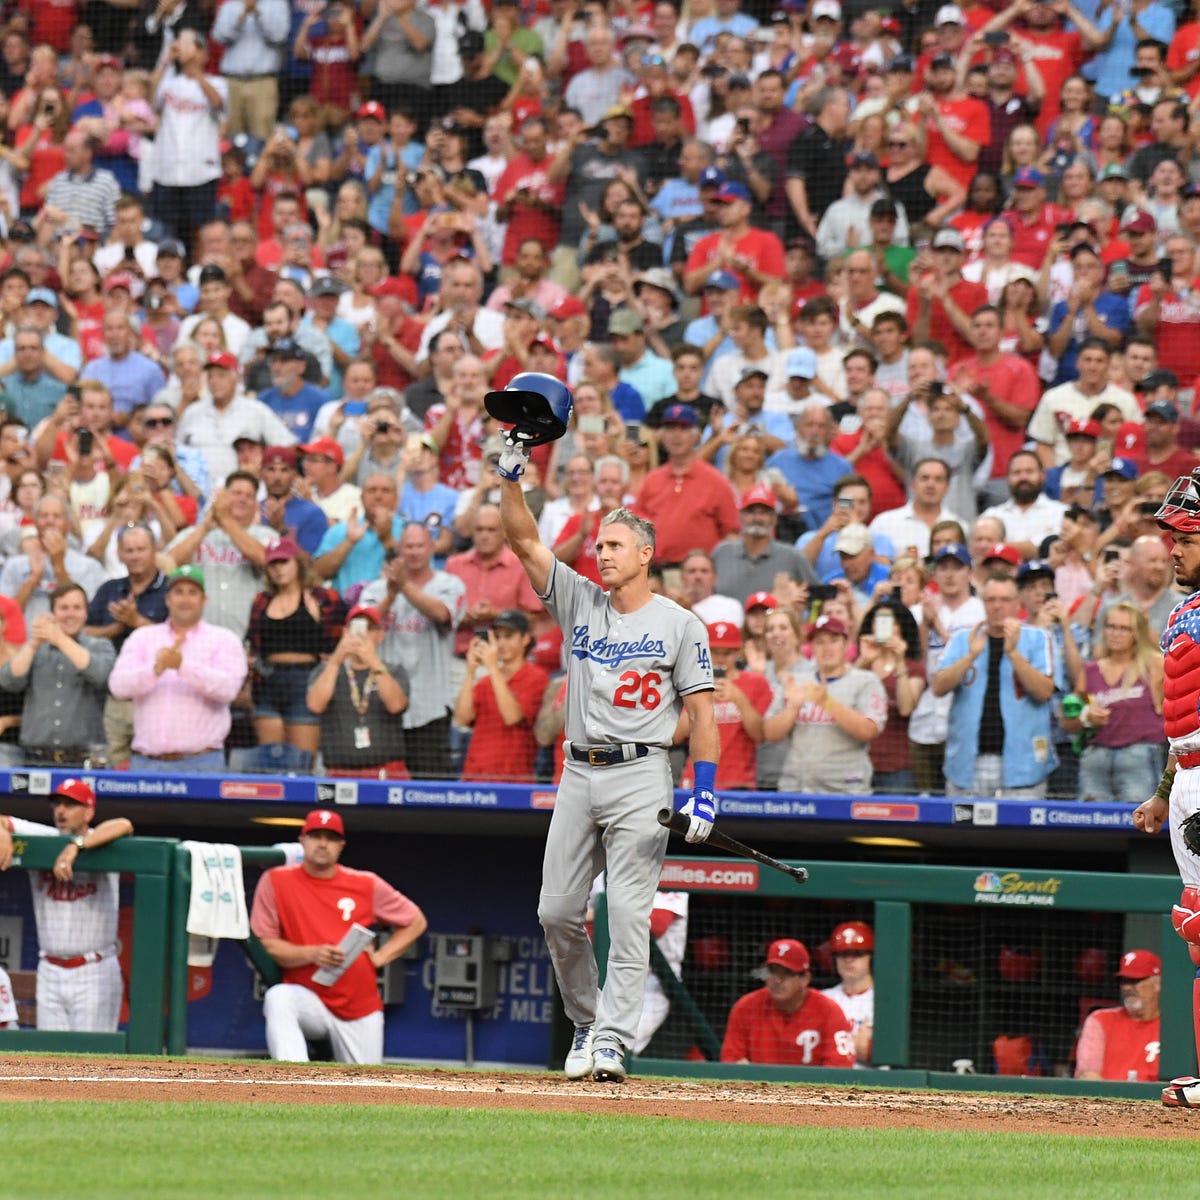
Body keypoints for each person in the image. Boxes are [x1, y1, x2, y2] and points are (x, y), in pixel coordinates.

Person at [496, 375, 719, 1084]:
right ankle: (587, 1022)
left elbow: (704, 714)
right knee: (557, 911)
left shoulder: (681, 623)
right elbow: (526, 541)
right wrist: (511, 479)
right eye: (600, 543)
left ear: (647, 554)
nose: (604, 553)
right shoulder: (580, 600)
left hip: (642, 773)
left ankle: (613, 1040)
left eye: (617, 545)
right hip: (579, 770)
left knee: (627, 915)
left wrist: (706, 791)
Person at [250, 808, 427, 1065]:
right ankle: (295, 1082)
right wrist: (312, 953)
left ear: (341, 845)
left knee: (365, 1092)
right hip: (310, 998)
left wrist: (379, 958)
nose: (323, 843)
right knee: (278, 998)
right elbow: (267, 944)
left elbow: (416, 921)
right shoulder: (276, 880)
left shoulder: (365, 883)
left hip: (359, 1005)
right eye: (316, 835)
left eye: (331, 837)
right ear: (303, 840)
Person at [1135, 469, 1200, 1106]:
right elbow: (1184, 719)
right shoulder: (1184, 611)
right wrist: (1164, 790)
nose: (1172, 548)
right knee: (1197, 924)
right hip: (1188, 773)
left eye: (1185, 536)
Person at [0, 779, 133, 1032]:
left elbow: (124, 825)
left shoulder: (102, 841)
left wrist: (76, 846)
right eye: (58, 804)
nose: (61, 810)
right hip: (50, 969)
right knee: (53, 1058)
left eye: (71, 805)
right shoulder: (45, 837)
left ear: (89, 811)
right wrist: (3, 831)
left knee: (93, 1059)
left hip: (94, 969)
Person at [108, 565, 247, 772]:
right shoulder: (142, 637)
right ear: (167, 599)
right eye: (178, 592)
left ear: (204, 600)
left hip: (202, 762)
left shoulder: (224, 639)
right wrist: (154, 671)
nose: (185, 599)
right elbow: (117, 686)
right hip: (146, 762)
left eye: (192, 593)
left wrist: (183, 666)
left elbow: (228, 690)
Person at [932, 573, 1060, 798]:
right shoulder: (963, 638)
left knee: (1020, 831)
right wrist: (970, 656)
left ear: (1018, 602)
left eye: (1005, 600)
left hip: (1023, 766)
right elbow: (939, 687)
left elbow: (1044, 692)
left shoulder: (1038, 638)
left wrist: (1013, 652)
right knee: (963, 832)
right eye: (991, 600)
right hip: (968, 766)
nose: (997, 607)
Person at [360, 522, 466, 780]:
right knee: (382, 785)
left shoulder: (450, 585)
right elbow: (362, 628)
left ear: (431, 547)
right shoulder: (375, 590)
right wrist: (390, 595)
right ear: (399, 550)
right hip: (384, 706)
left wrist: (404, 587)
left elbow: (442, 614)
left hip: (431, 706)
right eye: (408, 546)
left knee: (431, 788)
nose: (415, 552)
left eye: (420, 545)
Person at [767, 613, 887, 795]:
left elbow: (868, 731)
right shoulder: (796, 682)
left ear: (846, 644)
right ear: (811, 647)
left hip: (845, 790)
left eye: (833, 640)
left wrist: (826, 702)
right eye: (819, 641)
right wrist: (793, 708)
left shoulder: (865, 681)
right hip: (796, 789)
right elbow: (771, 733)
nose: (826, 647)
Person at [247, 538, 344, 759]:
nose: (278, 568)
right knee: (270, 762)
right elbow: (253, 642)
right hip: (268, 678)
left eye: (284, 562)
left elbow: (339, 635)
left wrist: (331, 663)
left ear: (297, 563)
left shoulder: (321, 598)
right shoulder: (262, 600)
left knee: (301, 763)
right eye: (273, 564)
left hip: (306, 679)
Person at [0, 582, 115, 768]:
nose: (70, 614)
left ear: (86, 613)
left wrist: (59, 639)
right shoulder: (36, 649)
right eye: (64, 608)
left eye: (77, 608)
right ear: (52, 613)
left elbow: (100, 674)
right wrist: (33, 644)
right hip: (33, 758)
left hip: (85, 757)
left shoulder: (100, 646)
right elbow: (10, 681)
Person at [1065, 602, 1164, 802]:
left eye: (1124, 628)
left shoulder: (1153, 664)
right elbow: (1068, 721)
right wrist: (1086, 718)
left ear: (1137, 633)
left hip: (1139, 756)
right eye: (1111, 626)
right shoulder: (1091, 670)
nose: (1116, 633)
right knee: (1091, 824)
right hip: (1095, 759)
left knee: (1139, 823)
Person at [305, 603, 411, 778]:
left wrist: (374, 662)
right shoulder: (325, 671)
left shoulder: (393, 670)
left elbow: (396, 705)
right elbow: (315, 705)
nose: (362, 634)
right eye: (356, 627)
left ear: (380, 635)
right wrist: (336, 659)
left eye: (369, 628)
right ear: (345, 632)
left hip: (386, 771)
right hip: (339, 772)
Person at [720, 938, 856, 1067]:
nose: (777, 980)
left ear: (805, 979)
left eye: (786, 973)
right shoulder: (746, 1007)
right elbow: (731, 1060)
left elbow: (840, 1066)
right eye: (773, 971)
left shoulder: (828, 1011)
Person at [455, 608, 549, 783]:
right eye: (497, 637)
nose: (501, 643)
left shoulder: (537, 677)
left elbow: (512, 717)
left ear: (525, 639)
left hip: (513, 779)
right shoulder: (485, 682)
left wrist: (492, 667)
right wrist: (470, 671)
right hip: (475, 776)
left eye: (508, 636)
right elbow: (462, 718)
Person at [1075, 950, 1162, 1083]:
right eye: (1124, 981)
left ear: (1157, 984)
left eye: (1134, 981)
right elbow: (1087, 1076)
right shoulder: (1100, 1020)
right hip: (1106, 1101)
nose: (1126, 987)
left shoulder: (1174, 1027)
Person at [822, 921, 875, 1066]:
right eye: (843, 954)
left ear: (870, 957)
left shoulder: (885, 999)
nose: (848, 960)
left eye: (856, 953)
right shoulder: (823, 998)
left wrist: (871, 1050)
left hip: (873, 1082)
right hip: (827, 1082)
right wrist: (852, 1046)